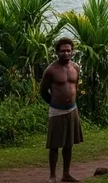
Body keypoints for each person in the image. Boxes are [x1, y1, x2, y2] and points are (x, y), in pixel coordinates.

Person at [40, 37, 83, 183]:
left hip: (72, 110)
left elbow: (75, 86)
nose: (66, 53)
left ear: (72, 52)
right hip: (57, 111)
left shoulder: (75, 67)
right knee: (54, 145)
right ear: (57, 52)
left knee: (68, 144)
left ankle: (66, 174)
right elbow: (43, 91)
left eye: (68, 50)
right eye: (63, 51)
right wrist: (54, 103)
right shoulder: (51, 70)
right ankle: (52, 176)